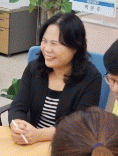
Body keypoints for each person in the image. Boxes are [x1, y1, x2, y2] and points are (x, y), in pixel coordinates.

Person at [7, 13, 101, 145]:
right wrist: (18, 126)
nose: (47, 49)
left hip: (65, 146)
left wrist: (39, 135)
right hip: (31, 141)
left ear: (75, 47)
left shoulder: (91, 78)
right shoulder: (34, 68)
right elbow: (18, 106)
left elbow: (79, 126)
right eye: (44, 41)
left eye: (54, 44)